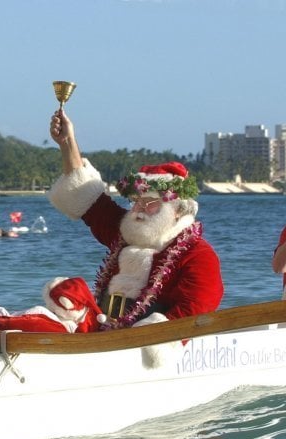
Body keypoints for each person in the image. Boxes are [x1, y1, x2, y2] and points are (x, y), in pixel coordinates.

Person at [48, 110, 223, 329]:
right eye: (136, 202)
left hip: (147, 345)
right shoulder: (127, 232)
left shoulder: (198, 255)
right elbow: (88, 197)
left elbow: (194, 312)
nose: (139, 209)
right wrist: (67, 142)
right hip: (102, 333)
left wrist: (148, 340)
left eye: (149, 203)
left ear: (177, 210)